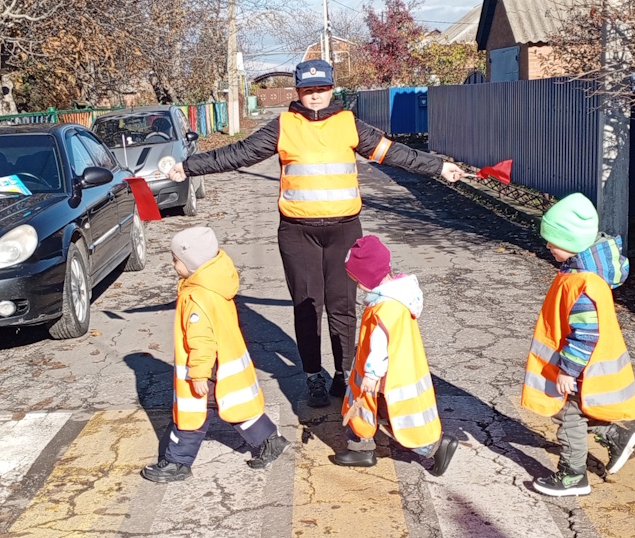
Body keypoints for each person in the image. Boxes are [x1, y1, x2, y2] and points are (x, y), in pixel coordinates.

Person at [167, 59, 465, 408]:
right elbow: (239, 154)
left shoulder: (350, 124)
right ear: (298, 91)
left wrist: (439, 166)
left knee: (343, 306)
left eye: (322, 89)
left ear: (331, 89)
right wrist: (189, 166)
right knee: (307, 307)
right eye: (309, 90)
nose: (316, 96)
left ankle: (344, 374)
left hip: (344, 231)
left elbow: (394, 152)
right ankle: (313, 377)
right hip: (298, 233)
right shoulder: (283, 126)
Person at [142, 226, 290, 482]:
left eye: (176, 260)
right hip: (222, 361)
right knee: (232, 405)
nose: (173, 265)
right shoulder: (215, 285)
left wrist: (199, 374)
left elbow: (201, 339)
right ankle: (269, 440)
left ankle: (177, 462)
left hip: (208, 367)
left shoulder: (197, 297)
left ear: (192, 262)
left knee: (193, 413)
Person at [522, 193, 635, 496]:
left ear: (572, 243)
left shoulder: (582, 284)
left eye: (553, 241)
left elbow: (585, 335)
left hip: (581, 370)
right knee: (579, 410)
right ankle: (615, 437)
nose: (548, 246)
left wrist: (567, 371)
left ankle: (573, 475)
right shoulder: (579, 275)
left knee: (568, 417)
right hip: (586, 369)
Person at [333, 235, 458, 475]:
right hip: (396, 371)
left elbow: (380, 344)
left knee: (394, 415)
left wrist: (371, 374)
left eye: (358, 280)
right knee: (386, 412)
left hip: (381, 374)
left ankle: (430, 447)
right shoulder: (397, 299)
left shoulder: (385, 308)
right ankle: (365, 447)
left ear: (369, 276)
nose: (357, 286)